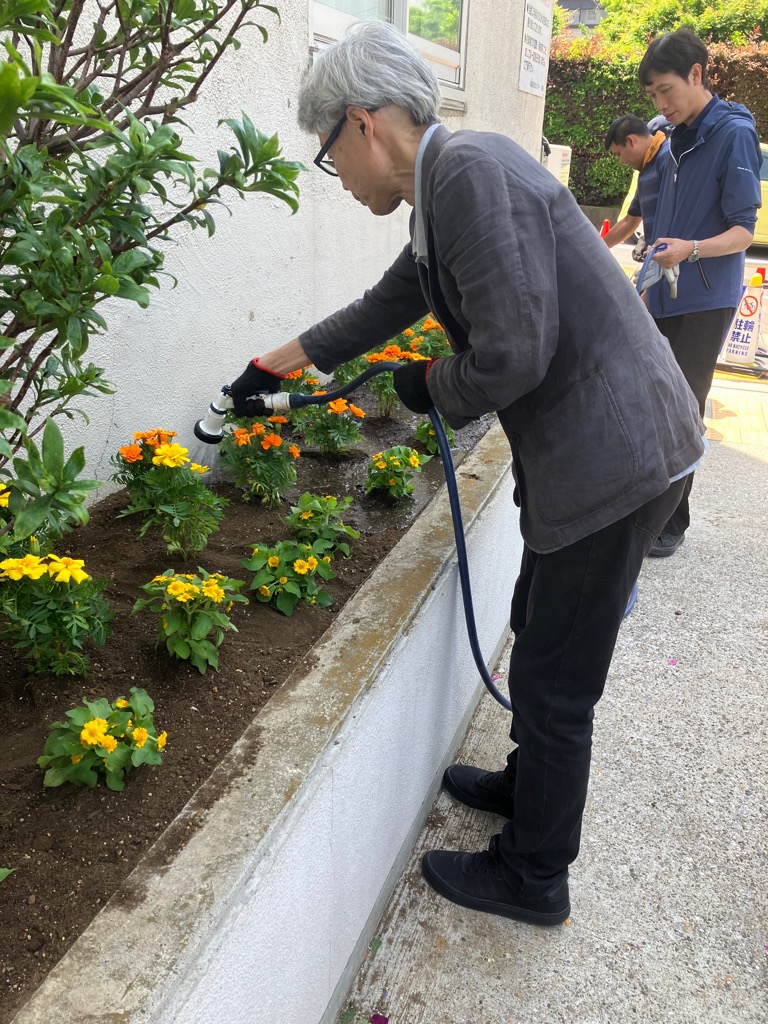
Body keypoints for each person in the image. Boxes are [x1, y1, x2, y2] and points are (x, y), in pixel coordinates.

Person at [227, 22, 705, 926]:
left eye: (328, 154)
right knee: (538, 626)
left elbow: (513, 355)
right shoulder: (448, 183)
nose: (337, 177)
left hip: (616, 461)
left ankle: (534, 875)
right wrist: (276, 362)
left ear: (362, 124)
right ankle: (530, 791)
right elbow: (389, 303)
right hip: (605, 451)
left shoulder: (470, 176)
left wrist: (425, 383)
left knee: (559, 682)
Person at [639, 28, 762, 557]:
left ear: (697, 74)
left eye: (667, 89)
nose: (661, 104)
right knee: (655, 402)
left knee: (684, 409)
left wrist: (689, 249)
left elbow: (743, 230)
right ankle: (657, 511)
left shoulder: (731, 134)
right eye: (653, 97)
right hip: (664, 292)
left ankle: (669, 524)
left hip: (706, 297)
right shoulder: (676, 137)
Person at [602, 114, 671, 251]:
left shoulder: (668, 159)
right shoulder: (645, 170)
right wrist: (595, 250)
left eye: (618, 154)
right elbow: (629, 222)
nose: (621, 161)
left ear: (631, 141)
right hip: (660, 261)